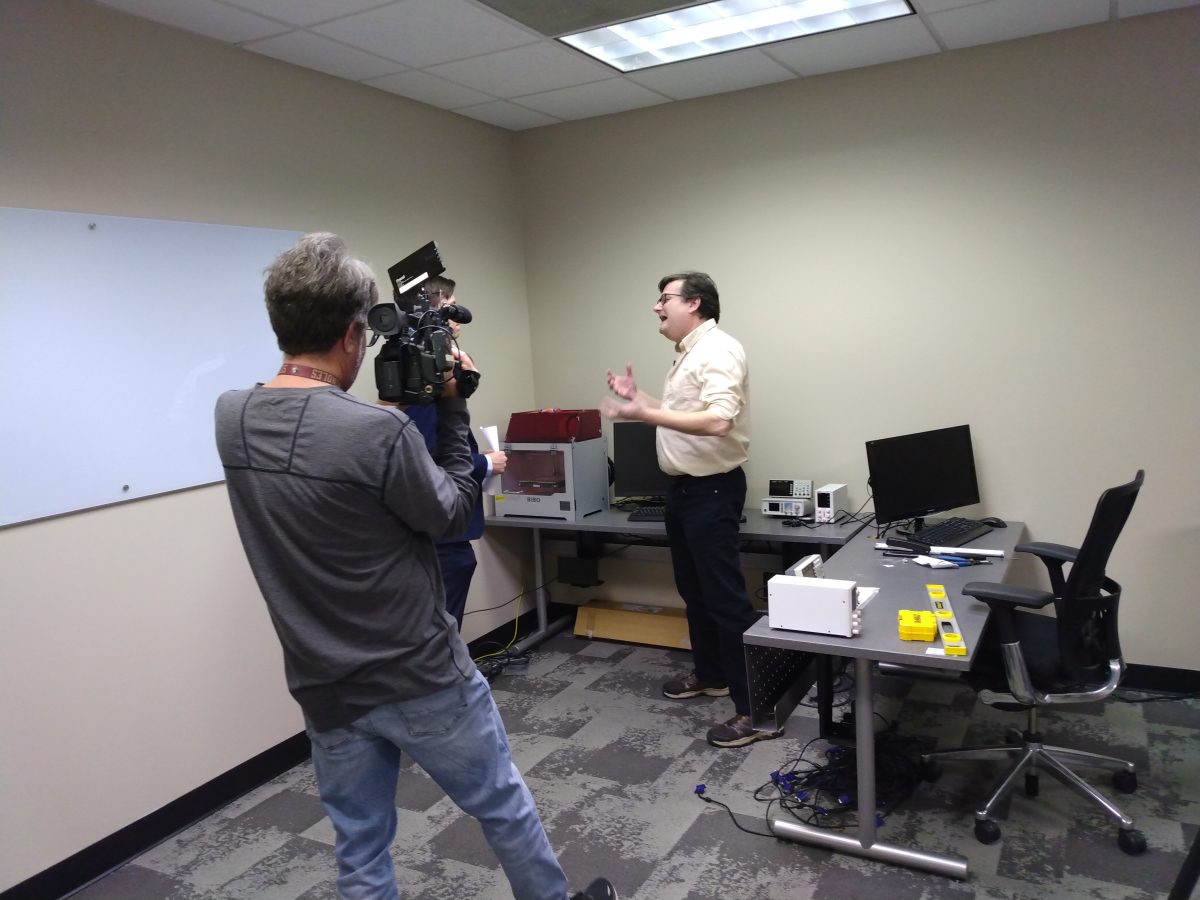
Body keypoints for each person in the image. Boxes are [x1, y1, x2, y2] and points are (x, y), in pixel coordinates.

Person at [214, 233, 615, 900]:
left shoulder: (231, 418)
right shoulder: (379, 432)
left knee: (361, 846)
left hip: (325, 682)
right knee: (502, 807)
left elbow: (331, 473)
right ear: (353, 333)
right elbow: (455, 512)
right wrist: (453, 401)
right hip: (419, 674)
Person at [602, 271, 777, 749]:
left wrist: (645, 414)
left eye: (664, 299)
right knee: (695, 591)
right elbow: (686, 414)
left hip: (712, 491)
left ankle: (755, 712)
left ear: (694, 303)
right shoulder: (690, 353)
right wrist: (643, 401)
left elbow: (719, 421)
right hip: (683, 493)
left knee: (724, 599)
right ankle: (713, 674)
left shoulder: (719, 349)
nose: (657, 307)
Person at [402, 274, 506, 629]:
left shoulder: (417, 375)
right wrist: (486, 464)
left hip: (438, 534)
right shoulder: (423, 380)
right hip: (443, 537)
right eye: (451, 307)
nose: (458, 318)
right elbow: (430, 458)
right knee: (441, 633)